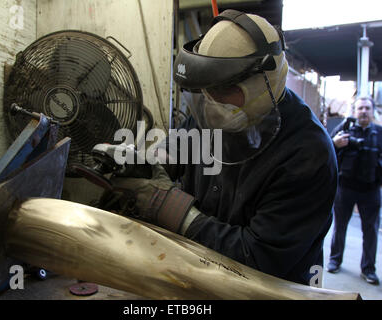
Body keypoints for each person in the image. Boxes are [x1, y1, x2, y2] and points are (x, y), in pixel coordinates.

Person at [103, 10, 338, 286]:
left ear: (265, 82)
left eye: (224, 88)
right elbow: (176, 150)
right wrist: (143, 164)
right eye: (206, 90)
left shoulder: (308, 154)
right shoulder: (216, 110)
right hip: (204, 276)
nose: (212, 101)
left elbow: (258, 260)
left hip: (270, 290)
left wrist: (170, 207)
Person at [327, 96, 382, 285]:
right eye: (360, 108)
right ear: (354, 111)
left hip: (370, 191)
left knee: (370, 230)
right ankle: (334, 260)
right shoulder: (344, 129)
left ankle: (368, 269)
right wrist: (335, 143)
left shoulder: (381, 133)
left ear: (372, 112)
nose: (363, 111)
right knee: (339, 226)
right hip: (345, 188)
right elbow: (326, 151)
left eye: (367, 108)